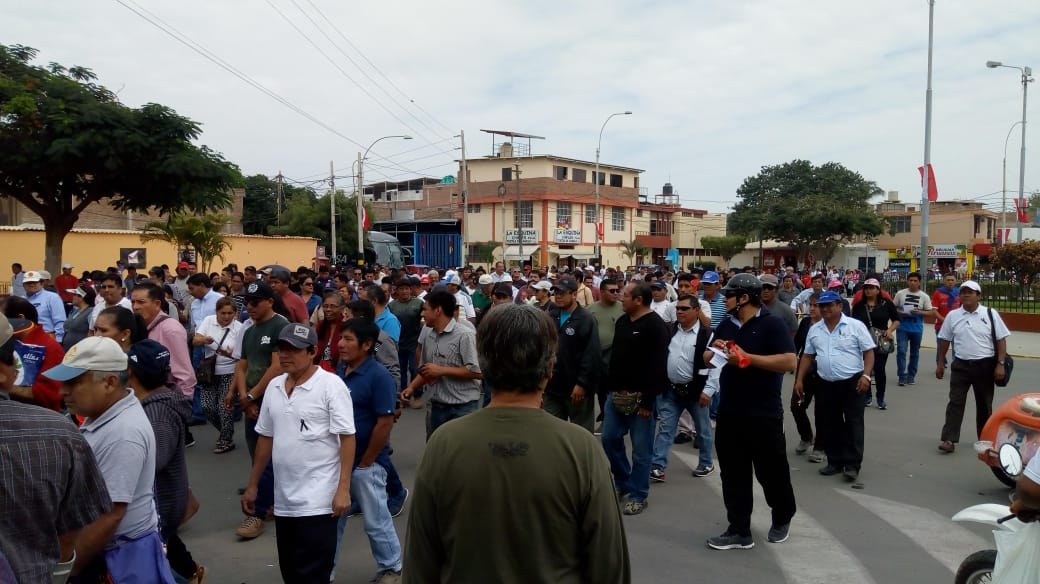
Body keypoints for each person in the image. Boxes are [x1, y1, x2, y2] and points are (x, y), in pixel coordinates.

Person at [403, 304, 630, 584]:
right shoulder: (581, 448)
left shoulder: (443, 443)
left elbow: (420, 561)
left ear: (483, 364)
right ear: (550, 368)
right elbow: (609, 564)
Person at [43, 337, 176, 583]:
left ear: (110, 382)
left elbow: (110, 515)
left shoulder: (123, 433)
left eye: (73, 382)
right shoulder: (103, 415)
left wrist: (66, 571)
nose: (63, 391)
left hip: (115, 559)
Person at [0, 315, 112, 584]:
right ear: (4, 372)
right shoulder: (60, 434)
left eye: (74, 382)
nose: (63, 391)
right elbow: (72, 531)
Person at [241, 323, 356, 584]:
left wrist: (343, 489)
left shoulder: (330, 386)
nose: (285, 355)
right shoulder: (274, 387)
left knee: (313, 575)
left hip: (319, 502)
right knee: (291, 573)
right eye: (282, 349)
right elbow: (266, 438)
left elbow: (347, 438)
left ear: (312, 351)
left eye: (293, 350)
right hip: (284, 503)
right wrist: (253, 485)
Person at [705, 273, 797, 550]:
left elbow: (789, 361)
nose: (724, 299)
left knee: (771, 472)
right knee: (733, 474)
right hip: (730, 412)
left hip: (763, 413)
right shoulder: (726, 324)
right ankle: (739, 530)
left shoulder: (771, 324)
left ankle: (782, 516)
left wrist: (748, 358)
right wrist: (716, 350)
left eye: (729, 295)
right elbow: (707, 357)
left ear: (744, 298)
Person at [126, 340, 205, 584]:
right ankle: (192, 572)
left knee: (154, 564)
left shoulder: (158, 414)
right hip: (164, 503)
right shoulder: (156, 403)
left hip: (160, 505)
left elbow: (153, 461)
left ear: (130, 373)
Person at [332, 318, 403, 584]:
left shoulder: (379, 376)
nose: (341, 344)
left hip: (366, 464)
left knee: (376, 520)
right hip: (339, 462)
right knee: (332, 520)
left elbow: (385, 423)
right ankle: (324, 572)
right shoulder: (341, 371)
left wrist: (366, 462)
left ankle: (391, 568)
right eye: (341, 338)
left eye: (348, 339)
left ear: (366, 345)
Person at [602, 281, 670, 516]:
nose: (621, 298)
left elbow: (658, 366)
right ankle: (623, 482)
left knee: (641, 451)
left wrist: (648, 402)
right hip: (616, 395)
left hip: (642, 399)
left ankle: (639, 494)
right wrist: (611, 389)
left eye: (626, 295)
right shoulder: (622, 322)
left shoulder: (656, 326)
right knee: (609, 439)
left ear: (639, 300)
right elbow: (616, 358)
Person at [796, 291, 875, 483]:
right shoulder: (815, 329)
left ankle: (852, 465)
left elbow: (869, 352)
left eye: (830, 305)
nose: (825, 309)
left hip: (853, 382)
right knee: (830, 423)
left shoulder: (855, 326)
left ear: (840, 306)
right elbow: (807, 355)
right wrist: (799, 380)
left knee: (853, 424)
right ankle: (835, 461)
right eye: (822, 306)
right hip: (826, 383)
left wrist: (866, 375)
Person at [234, 280, 289, 540]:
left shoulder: (280, 326)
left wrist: (252, 395)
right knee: (255, 452)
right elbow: (242, 366)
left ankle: (257, 511)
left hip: (272, 399)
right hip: (251, 400)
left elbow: (277, 366)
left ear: (270, 301)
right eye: (247, 302)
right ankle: (268, 500)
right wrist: (242, 395)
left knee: (267, 455)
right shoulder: (249, 330)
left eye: (255, 302)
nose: (250, 307)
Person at [935, 280, 1010, 454]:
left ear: (979, 296)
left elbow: (1001, 339)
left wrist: (1000, 364)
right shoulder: (953, 316)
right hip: (960, 364)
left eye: (970, 292)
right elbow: (944, 339)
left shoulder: (990, 313)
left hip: (984, 365)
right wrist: (940, 363)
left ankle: (985, 439)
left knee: (984, 404)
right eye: (963, 292)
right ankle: (949, 439)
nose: (966, 295)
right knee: (955, 402)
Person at [650, 294, 715, 483]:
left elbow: (716, 365)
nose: (679, 311)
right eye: (678, 308)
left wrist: (709, 390)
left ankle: (706, 463)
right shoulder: (670, 330)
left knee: (703, 430)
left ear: (697, 310)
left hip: (697, 391)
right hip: (671, 391)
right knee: (666, 429)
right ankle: (657, 466)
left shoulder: (707, 334)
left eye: (684, 308)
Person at [401, 290, 482, 438]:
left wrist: (442, 370)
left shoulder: (465, 335)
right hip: (436, 407)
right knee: (436, 449)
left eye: (425, 309)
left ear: (438, 310)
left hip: (462, 408)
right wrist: (411, 388)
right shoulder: (429, 335)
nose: (422, 314)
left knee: (459, 450)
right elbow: (427, 369)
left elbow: (477, 372)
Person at [542, 276, 601, 432]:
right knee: (551, 432)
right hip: (553, 387)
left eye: (562, 293)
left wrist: (582, 384)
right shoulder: (551, 315)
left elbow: (592, 355)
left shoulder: (586, 319)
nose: (558, 296)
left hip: (576, 389)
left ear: (574, 294)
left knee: (581, 433)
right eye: (556, 293)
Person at [130, 283, 196, 401]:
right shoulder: (141, 326)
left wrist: (184, 403)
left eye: (141, 302)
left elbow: (184, 374)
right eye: (133, 302)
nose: (135, 307)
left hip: (167, 400)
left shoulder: (170, 329)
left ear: (157, 304)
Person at [194, 297, 242, 453]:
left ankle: (226, 439)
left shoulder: (240, 328)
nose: (226, 316)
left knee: (224, 407)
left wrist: (230, 354)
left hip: (230, 371)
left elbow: (242, 356)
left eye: (230, 313)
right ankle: (226, 431)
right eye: (223, 313)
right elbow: (195, 340)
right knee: (206, 406)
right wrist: (204, 340)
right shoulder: (209, 321)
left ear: (235, 313)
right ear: (217, 312)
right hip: (210, 372)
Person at [2, 296, 66, 411]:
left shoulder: (51, 348)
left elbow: (48, 395)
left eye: (3, 318)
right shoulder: (6, 341)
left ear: (20, 319)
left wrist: (5, 387)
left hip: (39, 416)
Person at [850, 278, 900, 409]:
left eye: (872, 288)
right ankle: (867, 395)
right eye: (866, 288)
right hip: (863, 342)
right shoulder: (859, 306)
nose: (868, 290)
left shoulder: (886, 304)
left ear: (878, 290)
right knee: (865, 369)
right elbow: (853, 323)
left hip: (881, 341)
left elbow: (896, 320)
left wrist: (890, 330)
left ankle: (880, 397)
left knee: (879, 369)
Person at [792, 293, 824, 462]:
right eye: (809, 305)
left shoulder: (828, 325)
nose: (811, 308)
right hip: (805, 370)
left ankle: (820, 447)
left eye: (815, 305)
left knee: (821, 411)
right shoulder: (805, 323)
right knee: (796, 406)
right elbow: (797, 344)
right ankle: (806, 436)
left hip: (824, 373)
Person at [892, 272, 935, 386]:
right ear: (907, 281)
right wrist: (900, 312)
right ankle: (902, 376)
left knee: (914, 353)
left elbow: (930, 312)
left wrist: (919, 312)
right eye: (910, 280)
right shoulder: (900, 294)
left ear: (919, 282)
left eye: (915, 281)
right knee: (901, 351)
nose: (912, 282)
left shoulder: (924, 296)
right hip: (902, 328)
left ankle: (911, 376)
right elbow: (893, 308)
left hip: (917, 329)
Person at [388, 279, 423, 391]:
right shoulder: (391, 305)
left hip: (414, 342)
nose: (404, 291)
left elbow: (424, 318)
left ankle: (416, 392)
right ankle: (403, 393)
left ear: (410, 290)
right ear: (397, 291)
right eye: (401, 289)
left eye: (406, 289)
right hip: (398, 342)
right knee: (401, 369)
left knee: (414, 368)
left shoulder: (418, 303)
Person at [22, 270, 67, 342]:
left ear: (41, 283)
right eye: (28, 283)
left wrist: (58, 340)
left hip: (47, 337)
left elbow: (60, 321)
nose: (31, 285)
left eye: (34, 282)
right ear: (23, 285)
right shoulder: (22, 300)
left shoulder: (52, 297)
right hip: (26, 339)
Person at [63, 286, 96, 350]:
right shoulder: (75, 311)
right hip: (68, 349)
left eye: (75, 295)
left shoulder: (91, 312)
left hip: (81, 350)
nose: (73, 297)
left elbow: (92, 332)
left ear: (82, 297)